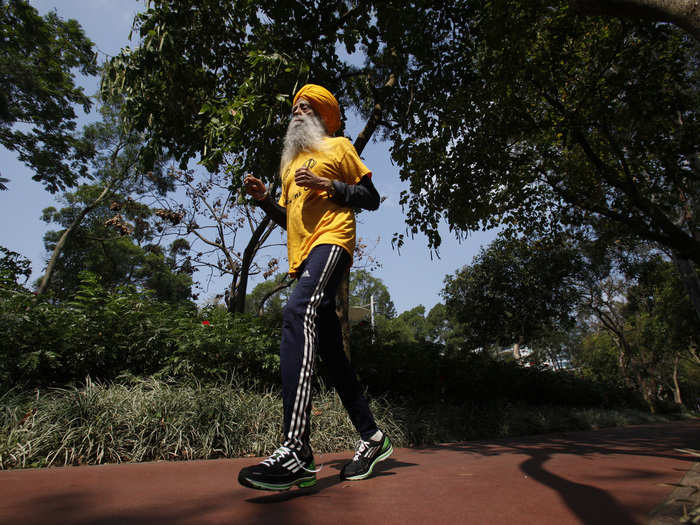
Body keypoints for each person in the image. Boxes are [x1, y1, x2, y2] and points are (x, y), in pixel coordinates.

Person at [238, 84, 392, 491]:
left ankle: (296, 450)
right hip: (304, 255)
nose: (297, 111)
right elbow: (289, 218)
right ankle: (374, 438)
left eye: (306, 107)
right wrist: (265, 200)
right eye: (294, 107)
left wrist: (328, 184)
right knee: (331, 353)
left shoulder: (339, 147)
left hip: (333, 239)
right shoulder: (289, 166)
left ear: (322, 116)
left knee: (295, 312)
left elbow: (371, 197)